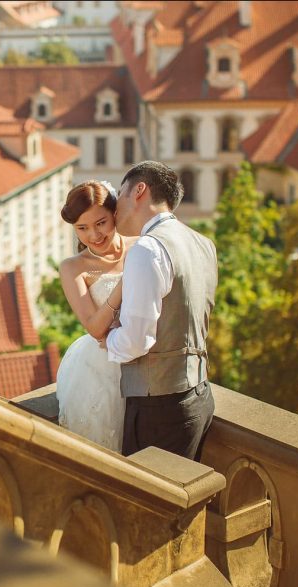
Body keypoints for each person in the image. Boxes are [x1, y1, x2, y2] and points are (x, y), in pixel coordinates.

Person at [89, 161, 218, 461]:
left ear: (139, 190)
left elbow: (136, 341)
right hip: (199, 396)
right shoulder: (203, 243)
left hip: (159, 407)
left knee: (146, 505)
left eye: (120, 194)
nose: (115, 206)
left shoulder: (147, 249)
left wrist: (106, 341)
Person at [55, 180, 132, 452]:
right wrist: (123, 286)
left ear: (115, 214)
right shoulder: (73, 268)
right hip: (99, 370)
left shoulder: (142, 246)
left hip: (147, 360)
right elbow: (95, 328)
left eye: (100, 223)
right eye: (82, 228)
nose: (93, 235)